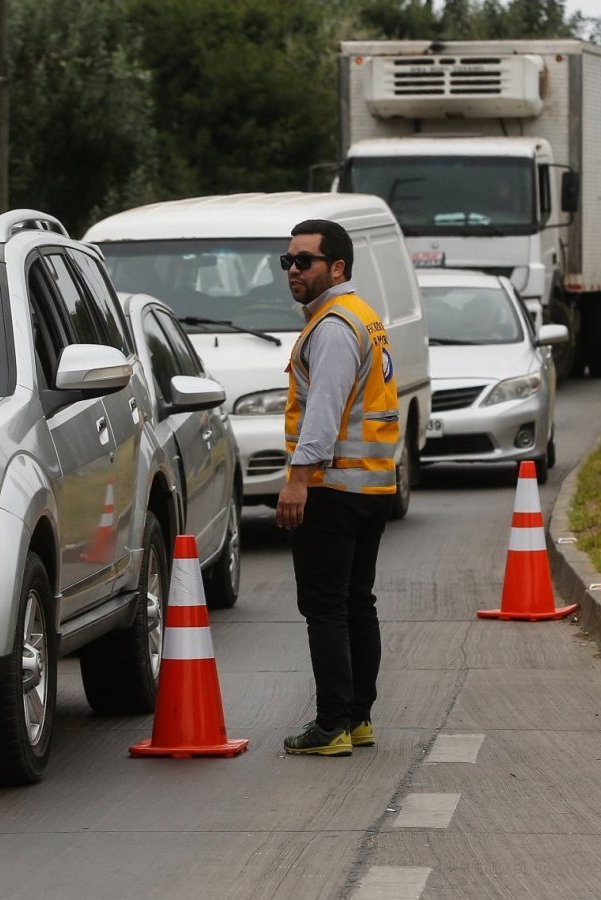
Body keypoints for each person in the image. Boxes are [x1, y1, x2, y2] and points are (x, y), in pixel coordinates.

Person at [275, 219, 401, 758]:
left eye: (305, 261)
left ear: (338, 267)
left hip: (333, 486)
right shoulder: (362, 316)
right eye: (289, 261)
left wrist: (297, 480)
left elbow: (322, 416)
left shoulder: (331, 327)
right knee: (355, 603)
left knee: (326, 607)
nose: (294, 271)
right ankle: (358, 717)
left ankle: (332, 726)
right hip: (371, 487)